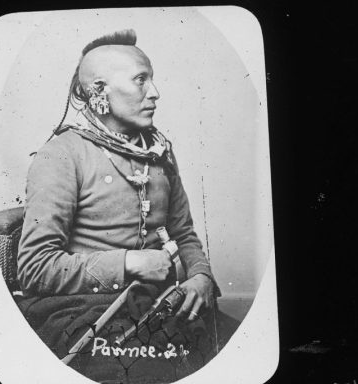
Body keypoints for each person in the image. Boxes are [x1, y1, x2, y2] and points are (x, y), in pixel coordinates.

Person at [16, 29, 237, 382]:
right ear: (98, 91)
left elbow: (184, 234)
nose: (155, 92)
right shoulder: (60, 155)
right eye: (140, 80)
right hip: (86, 312)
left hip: (163, 302)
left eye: (152, 79)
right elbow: (35, 267)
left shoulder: (158, 151)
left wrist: (199, 276)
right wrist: (128, 263)